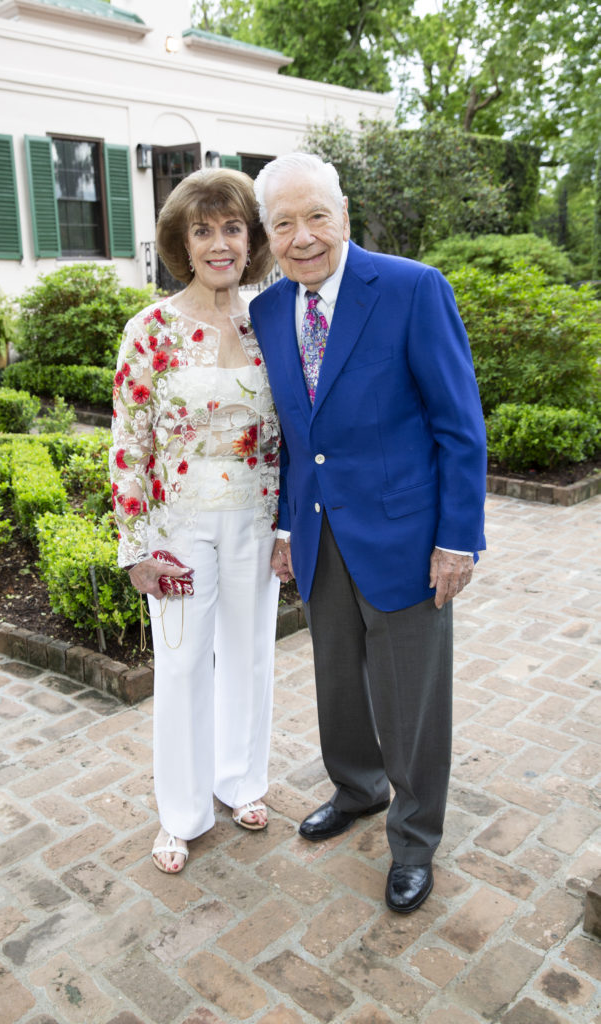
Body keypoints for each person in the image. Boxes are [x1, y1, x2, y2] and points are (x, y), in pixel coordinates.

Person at [250, 152, 487, 913]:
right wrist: (287, 525)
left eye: (315, 215)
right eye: (282, 223)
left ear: (343, 215)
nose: (302, 237)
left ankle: (414, 838)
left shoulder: (413, 289)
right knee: (335, 683)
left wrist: (457, 538)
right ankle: (355, 788)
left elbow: (458, 426)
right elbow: (295, 436)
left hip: (406, 537)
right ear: (267, 234)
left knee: (411, 701)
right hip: (320, 536)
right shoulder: (266, 311)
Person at [110, 168, 281, 874]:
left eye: (232, 228)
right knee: (182, 667)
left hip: (257, 519)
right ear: (182, 244)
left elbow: (300, 433)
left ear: (252, 239)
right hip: (178, 528)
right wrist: (136, 547)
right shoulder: (148, 330)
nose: (219, 243)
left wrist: (289, 530)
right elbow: (128, 444)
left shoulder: (274, 320)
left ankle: (239, 781)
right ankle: (180, 814)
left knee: (250, 655)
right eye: (202, 230)